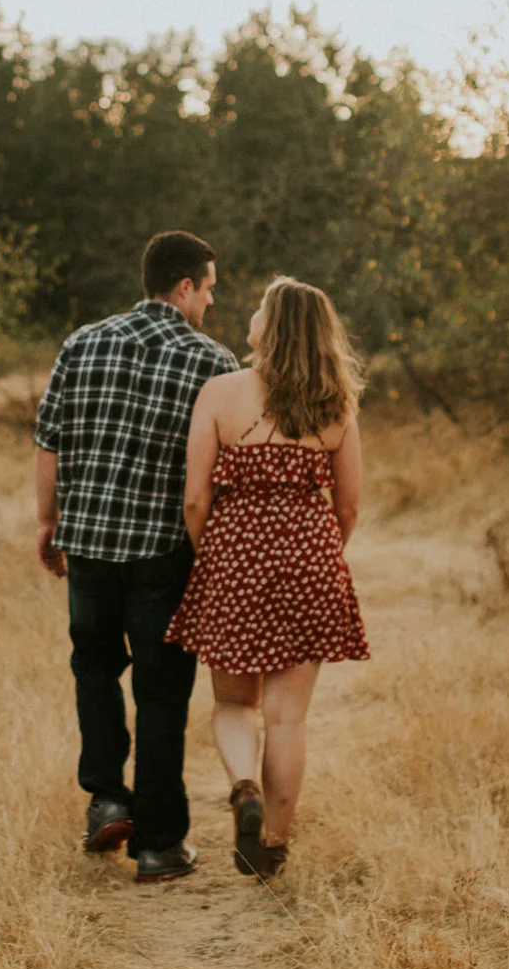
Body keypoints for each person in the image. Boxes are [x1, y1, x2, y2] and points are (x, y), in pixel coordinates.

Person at [34, 231, 241, 884]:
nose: (210, 300)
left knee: (93, 666)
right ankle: (158, 844)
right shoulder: (214, 362)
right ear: (184, 285)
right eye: (208, 287)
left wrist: (48, 519)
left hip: (89, 543)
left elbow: (50, 443)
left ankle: (107, 799)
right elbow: (217, 472)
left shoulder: (82, 341)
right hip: (163, 553)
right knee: (160, 691)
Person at [164, 276, 369, 880]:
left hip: (233, 556)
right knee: (287, 716)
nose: (248, 315)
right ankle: (271, 845)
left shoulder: (221, 393)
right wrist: (315, 553)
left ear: (271, 327)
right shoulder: (337, 405)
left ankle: (245, 787)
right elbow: (349, 506)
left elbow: (196, 499)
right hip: (310, 558)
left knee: (233, 703)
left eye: (258, 308)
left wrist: (217, 559)